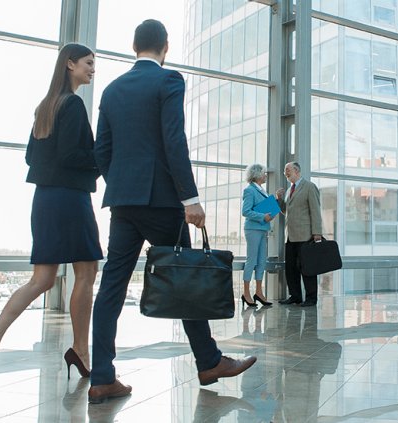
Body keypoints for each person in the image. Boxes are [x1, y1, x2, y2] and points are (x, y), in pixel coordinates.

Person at [88, 19, 255, 404]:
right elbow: (173, 139)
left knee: (111, 287)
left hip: (124, 202)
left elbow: (102, 151)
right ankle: (209, 361)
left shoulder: (112, 90)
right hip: (163, 201)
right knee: (184, 278)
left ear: (134, 46)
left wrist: (124, 184)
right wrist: (189, 198)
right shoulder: (168, 81)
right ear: (165, 46)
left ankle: (101, 377)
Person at [0, 44, 101, 386]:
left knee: (42, 279)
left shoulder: (46, 107)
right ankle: (81, 352)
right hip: (70, 200)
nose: (92, 68)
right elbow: (71, 155)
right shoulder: (74, 105)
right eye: (88, 63)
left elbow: (30, 158)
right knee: (86, 272)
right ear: (70, 64)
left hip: (45, 201)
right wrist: (102, 157)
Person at [275, 162, 323, 307]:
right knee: (291, 268)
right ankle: (295, 296)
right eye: (285, 171)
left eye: (287, 170)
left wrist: (317, 232)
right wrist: (279, 199)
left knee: (307, 267)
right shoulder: (290, 190)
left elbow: (315, 210)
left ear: (297, 170)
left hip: (305, 235)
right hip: (290, 236)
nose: (285, 173)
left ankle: (311, 298)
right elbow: (287, 212)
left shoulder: (309, 187)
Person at [241, 163, 275, 307]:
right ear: (258, 174)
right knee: (252, 260)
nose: (266, 175)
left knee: (261, 261)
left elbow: (265, 210)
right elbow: (246, 211)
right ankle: (246, 292)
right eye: (264, 173)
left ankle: (259, 292)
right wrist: (263, 216)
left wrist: (271, 210)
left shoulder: (262, 190)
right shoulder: (249, 190)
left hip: (262, 229)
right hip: (253, 229)